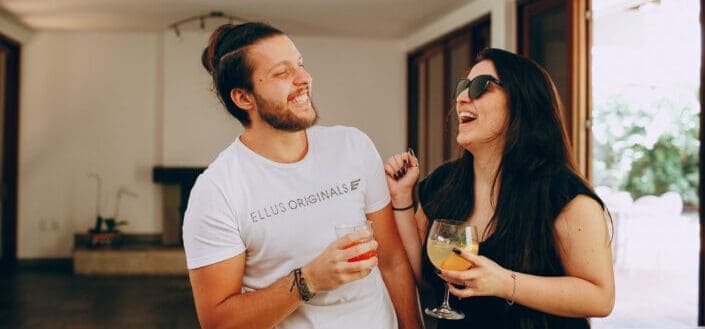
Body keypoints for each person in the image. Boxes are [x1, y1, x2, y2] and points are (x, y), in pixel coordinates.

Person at [183, 22, 423, 329]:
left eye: (300, 64)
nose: (305, 78)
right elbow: (218, 322)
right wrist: (309, 280)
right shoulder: (218, 191)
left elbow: (391, 260)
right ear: (244, 98)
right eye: (282, 73)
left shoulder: (353, 146)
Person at [385, 48, 615, 329]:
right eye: (463, 86)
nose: (461, 97)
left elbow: (600, 298)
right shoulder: (445, 183)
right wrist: (401, 198)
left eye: (482, 86)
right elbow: (424, 277)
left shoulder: (562, 195)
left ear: (522, 103)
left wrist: (505, 283)